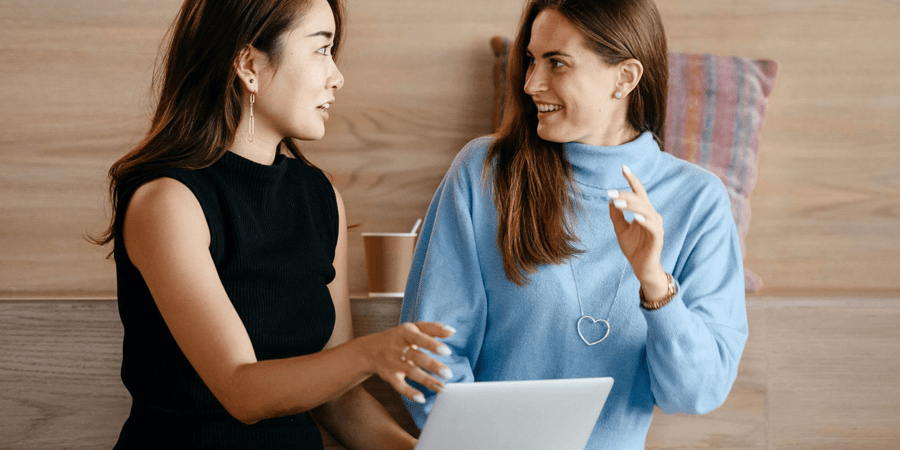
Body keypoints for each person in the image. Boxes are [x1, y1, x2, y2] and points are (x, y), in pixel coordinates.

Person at [91, 0, 455, 448]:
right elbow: (241, 391)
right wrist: (371, 353)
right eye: (322, 49)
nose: (337, 76)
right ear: (248, 65)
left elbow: (337, 401)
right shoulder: (168, 202)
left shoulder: (321, 198)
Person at [399, 0, 748, 448]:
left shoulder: (699, 201)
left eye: (556, 63)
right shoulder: (483, 172)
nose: (530, 84)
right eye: (530, 60)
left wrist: (655, 285)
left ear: (624, 78)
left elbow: (697, 393)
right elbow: (430, 358)